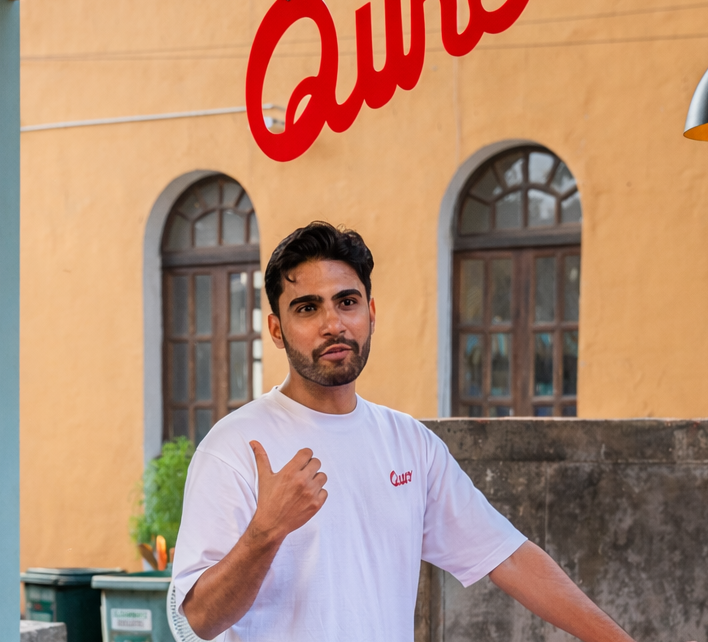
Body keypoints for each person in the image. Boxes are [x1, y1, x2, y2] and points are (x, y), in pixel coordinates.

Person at [170, 222, 672, 642]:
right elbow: (193, 622)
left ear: (371, 313)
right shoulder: (236, 447)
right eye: (307, 308)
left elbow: (510, 558)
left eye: (347, 302)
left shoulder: (410, 444)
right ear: (277, 330)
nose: (332, 324)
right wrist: (266, 532)